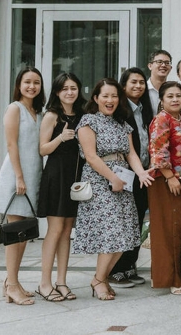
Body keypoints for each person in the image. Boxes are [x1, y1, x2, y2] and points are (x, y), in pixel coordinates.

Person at [73, 78, 153, 301]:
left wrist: (140, 173)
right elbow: (90, 156)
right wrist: (113, 178)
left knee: (124, 236)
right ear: (96, 98)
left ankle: (102, 277)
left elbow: (131, 154)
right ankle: (99, 280)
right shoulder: (88, 121)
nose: (110, 100)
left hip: (122, 180)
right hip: (101, 182)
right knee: (110, 234)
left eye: (114, 96)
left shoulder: (122, 123)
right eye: (105, 96)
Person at [0, 67, 45, 306]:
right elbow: (12, 145)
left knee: (23, 235)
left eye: (37, 82)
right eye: (27, 82)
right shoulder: (15, 108)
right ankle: (11, 285)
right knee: (15, 234)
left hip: (33, 175)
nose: (32, 86)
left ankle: (12, 282)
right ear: (19, 84)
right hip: (17, 177)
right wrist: (20, 178)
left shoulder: (37, 111)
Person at [36, 72, 85, 302]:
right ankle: (44, 283)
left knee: (67, 231)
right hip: (56, 176)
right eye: (64, 88)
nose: (69, 92)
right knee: (54, 231)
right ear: (57, 92)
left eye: (73, 88)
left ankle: (62, 282)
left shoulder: (83, 115)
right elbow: (43, 149)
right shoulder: (52, 116)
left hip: (75, 178)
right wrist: (61, 138)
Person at [148, 81, 181, 295]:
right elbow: (158, 150)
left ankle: (177, 273)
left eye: (178, 95)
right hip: (167, 180)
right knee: (169, 229)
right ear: (161, 100)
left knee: (179, 228)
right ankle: (172, 278)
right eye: (170, 96)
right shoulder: (162, 119)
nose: (175, 99)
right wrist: (170, 176)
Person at [107, 68, 153, 288]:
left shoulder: (145, 109)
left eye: (142, 82)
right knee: (124, 222)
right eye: (133, 82)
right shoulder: (120, 110)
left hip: (143, 172)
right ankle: (115, 269)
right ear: (123, 85)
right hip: (125, 174)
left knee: (137, 221)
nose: (138, 86)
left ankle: (129, 265)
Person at [147, 49, 172, 114]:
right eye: (159, 62)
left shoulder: (173, 90)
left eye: (167, 63)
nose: (163, 65)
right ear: (150, 66)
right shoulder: (143, 89)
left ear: (170, 68)